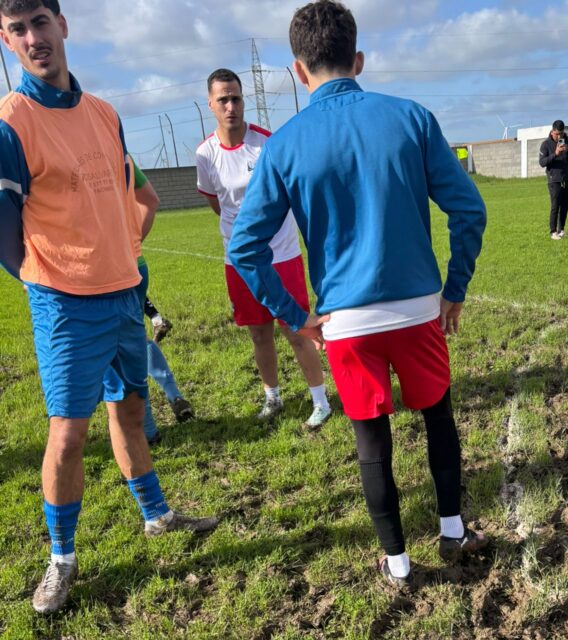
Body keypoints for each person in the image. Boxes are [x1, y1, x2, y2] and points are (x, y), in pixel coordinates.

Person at [228, 0, 488, 589]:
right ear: (359, 60)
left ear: (299, 71)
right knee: (439, 418)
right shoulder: (411, 117)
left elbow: (246, 248)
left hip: (344, 323)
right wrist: (454, 289)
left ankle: (397, 564)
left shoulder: (284, 144)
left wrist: (296, 316)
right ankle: (452, 532)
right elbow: (469, 210)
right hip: (418, 310)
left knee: (371, 439)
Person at [0, 0, 218, 614]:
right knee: (69, 434)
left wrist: (123, 256)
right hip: (65, 306)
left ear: (63, 25)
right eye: (18, 29)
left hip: (123, 292)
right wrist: (41, 281)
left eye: (40, 22)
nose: (33, 38)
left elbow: (125, 196)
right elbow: (3, 227)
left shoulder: (103, 112)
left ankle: (157, 516)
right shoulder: (12, 122)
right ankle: (61, 560)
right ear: (6, 41)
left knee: (130, 409)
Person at [195, 69, 332, 429]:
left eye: (236, 98)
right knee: (259, 332)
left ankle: (321, 400)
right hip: (239, 261)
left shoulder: (267, 143)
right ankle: (273, 396)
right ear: (210, 104)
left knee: (297, 328)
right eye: (223, 100)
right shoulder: (205, 154)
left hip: (281, 255)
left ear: (244, 101)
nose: (230, 106)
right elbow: (217, 203)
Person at [130, 159, 194, 442]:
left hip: (99, 270)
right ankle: (174, 396)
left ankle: (146, 429)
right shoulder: (119, 153)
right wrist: (133, 243)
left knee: (118, 348)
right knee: (136, 339)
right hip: (135, 264)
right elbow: (151, 200)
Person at [539, 120, 568, 239]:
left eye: (561, 133)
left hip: (567, 178)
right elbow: (542, 162)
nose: (559, 136)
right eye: (557, 134)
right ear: (552, 131)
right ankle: (553, 232)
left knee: (565, 206)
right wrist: (555, 154)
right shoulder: (545, 144)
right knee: (555, 206)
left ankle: (561, 230)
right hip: (554, 180)